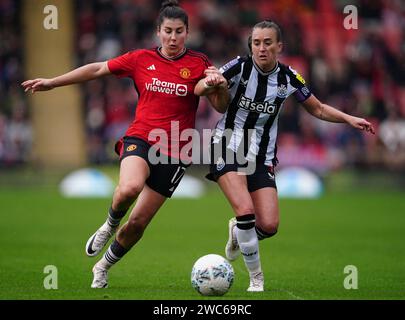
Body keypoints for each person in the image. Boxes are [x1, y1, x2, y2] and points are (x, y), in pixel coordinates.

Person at [22, 0, 227, 288]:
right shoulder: (140, 58)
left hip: (177, 150)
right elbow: (97, 69)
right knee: (129, 188)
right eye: (167, 31)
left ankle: (103, 267)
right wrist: (54, 82)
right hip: (141, 137)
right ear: (158, 31)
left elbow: (219, 105)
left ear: (187, 32)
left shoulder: (199, 63)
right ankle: (109, 224)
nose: (172, 37)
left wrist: (220, 85)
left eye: (179, 31)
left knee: (139, 223)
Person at [195, 20, 375, 292]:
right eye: (256, 43)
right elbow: (199, 88)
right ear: (251, 45)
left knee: (268, 225)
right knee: (245, 212)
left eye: (267, 43)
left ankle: (238, 232)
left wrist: (349, 119)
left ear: (279, 46)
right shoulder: (239, 67)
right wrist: (212, 83)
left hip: (262, 154)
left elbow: (319, 109)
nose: (261, 48)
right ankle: (257, 278)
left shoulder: (289, 77)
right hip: (228, 144)